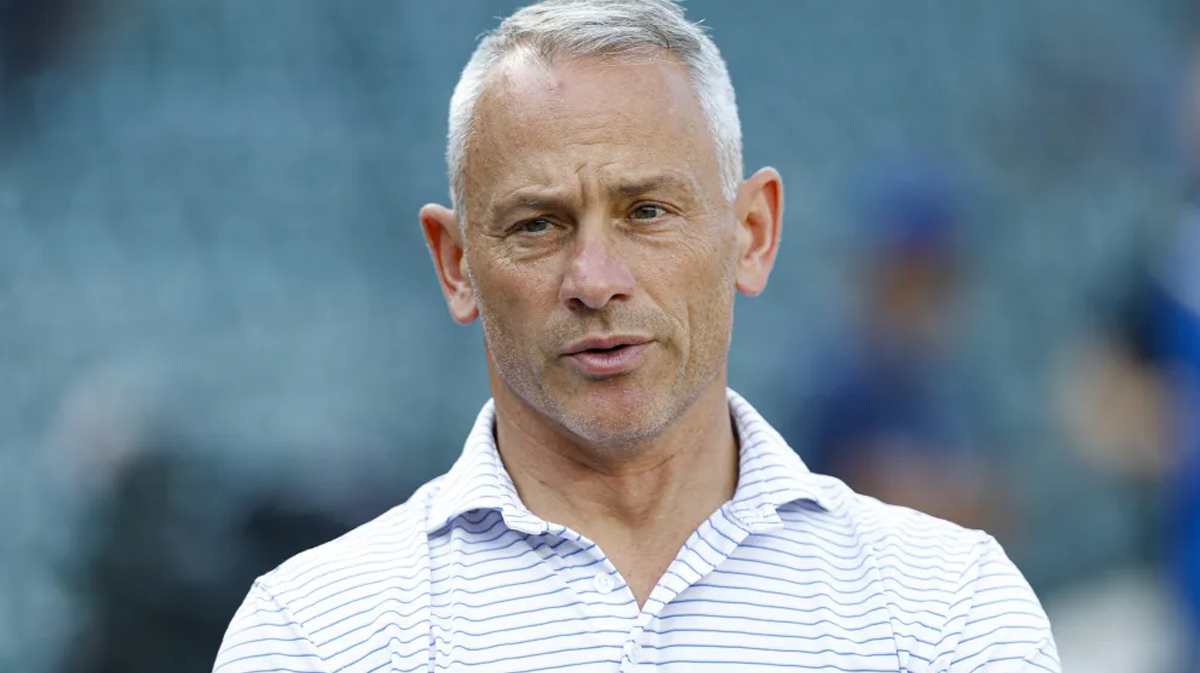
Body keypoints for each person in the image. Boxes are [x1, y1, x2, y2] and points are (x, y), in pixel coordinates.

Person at [213, 1, 1058, 671]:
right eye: (539, 224)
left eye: (647, 212)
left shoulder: (952, 611)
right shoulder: (312, 637)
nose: (595, 278)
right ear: (457, 263)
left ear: (752, 234)